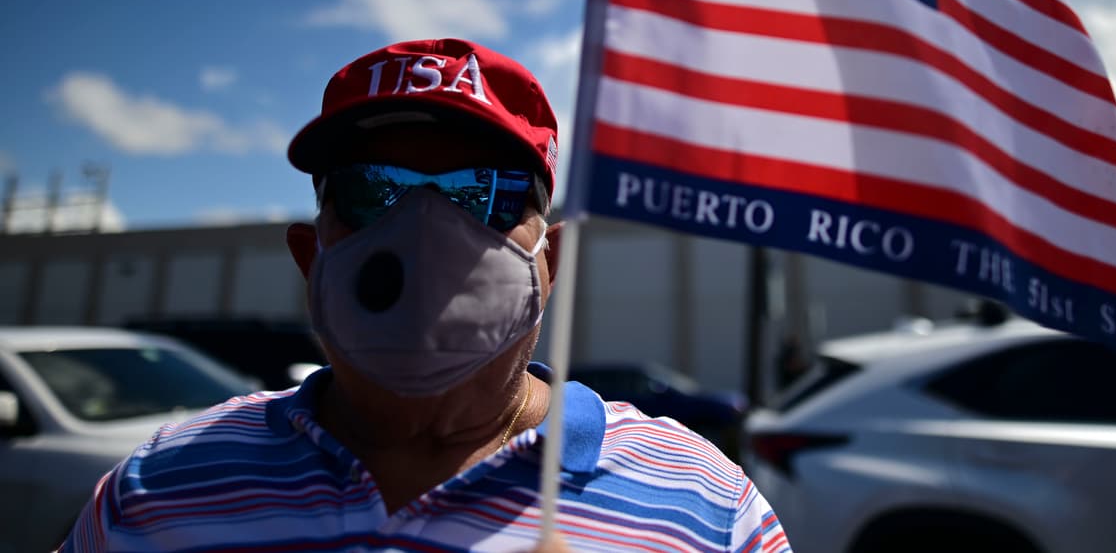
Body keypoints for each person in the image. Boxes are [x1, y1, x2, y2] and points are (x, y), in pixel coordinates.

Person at [61, 38, 791, 552]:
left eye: (483, 193)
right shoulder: (159, 491)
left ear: (552, 261)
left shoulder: (706, 508)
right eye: (373, 190)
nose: (426, 232)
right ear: (311, 257)